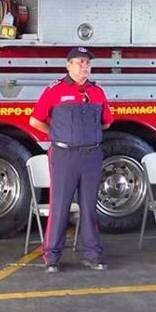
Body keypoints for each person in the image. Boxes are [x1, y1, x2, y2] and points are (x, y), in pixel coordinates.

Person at [29, 47, 113, 273]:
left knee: (89, 207)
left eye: (87, 63)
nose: (84, 67)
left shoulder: (97, 93)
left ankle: (92, 254)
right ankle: (52, 257)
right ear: (68, 66)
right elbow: (35, 121)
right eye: (79, 63)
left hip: (91, 155)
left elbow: (106, 123)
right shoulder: (54, 91)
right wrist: (58, 135)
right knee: (60, 207)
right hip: (65, 156)